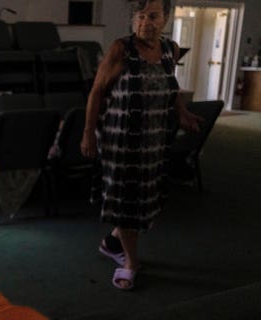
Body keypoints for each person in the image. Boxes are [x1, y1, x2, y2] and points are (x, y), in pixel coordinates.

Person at [80, 0, 203, 290]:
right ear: (133, 19)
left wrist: (182, 112)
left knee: (141, 200)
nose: (145, 21)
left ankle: (112, 243)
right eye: (140, 15)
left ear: (166, 19)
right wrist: (87, 133)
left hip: (152, 142)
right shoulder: (121, 49)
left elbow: (169, 86)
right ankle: (130, 263)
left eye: (153, 15)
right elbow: (96, 92)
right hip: (119, 141)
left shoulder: (169, 50)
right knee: (126, 201)